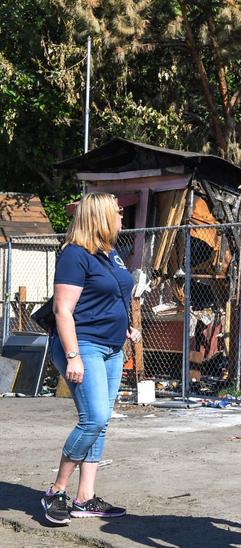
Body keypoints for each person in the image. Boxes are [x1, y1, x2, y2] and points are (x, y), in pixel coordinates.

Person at [40, 193, 140, 526]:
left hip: (112, 347)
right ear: (100, 216)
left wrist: (125, 328)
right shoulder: (74, 255)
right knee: (93, 419)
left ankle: (85, 498)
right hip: (83, 346)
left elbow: (113, 296)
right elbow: (63, 310)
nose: (122, 217)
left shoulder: (110, 253)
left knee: (102, 421)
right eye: (117, 212)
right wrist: (73, 357)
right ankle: (56, 491)